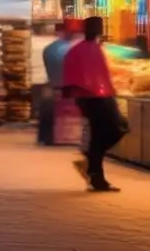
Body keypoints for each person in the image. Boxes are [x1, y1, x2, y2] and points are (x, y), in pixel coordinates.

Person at [62, 16, 125, 193]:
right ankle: (94, 168)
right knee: (115, 128)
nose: (98, 30)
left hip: (99, 97)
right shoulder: (81, 50)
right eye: (96, 27)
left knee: (104, 135)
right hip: (93, 99)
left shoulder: (93, 49)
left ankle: (94, 169)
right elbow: (73, 76)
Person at [40, 22, 75, 145]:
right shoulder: (68, 48)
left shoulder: (48, 49)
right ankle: (61, 137)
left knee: (47, 111)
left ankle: (44, 138)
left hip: (51, 83)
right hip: (65, 86)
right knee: (63, 113)